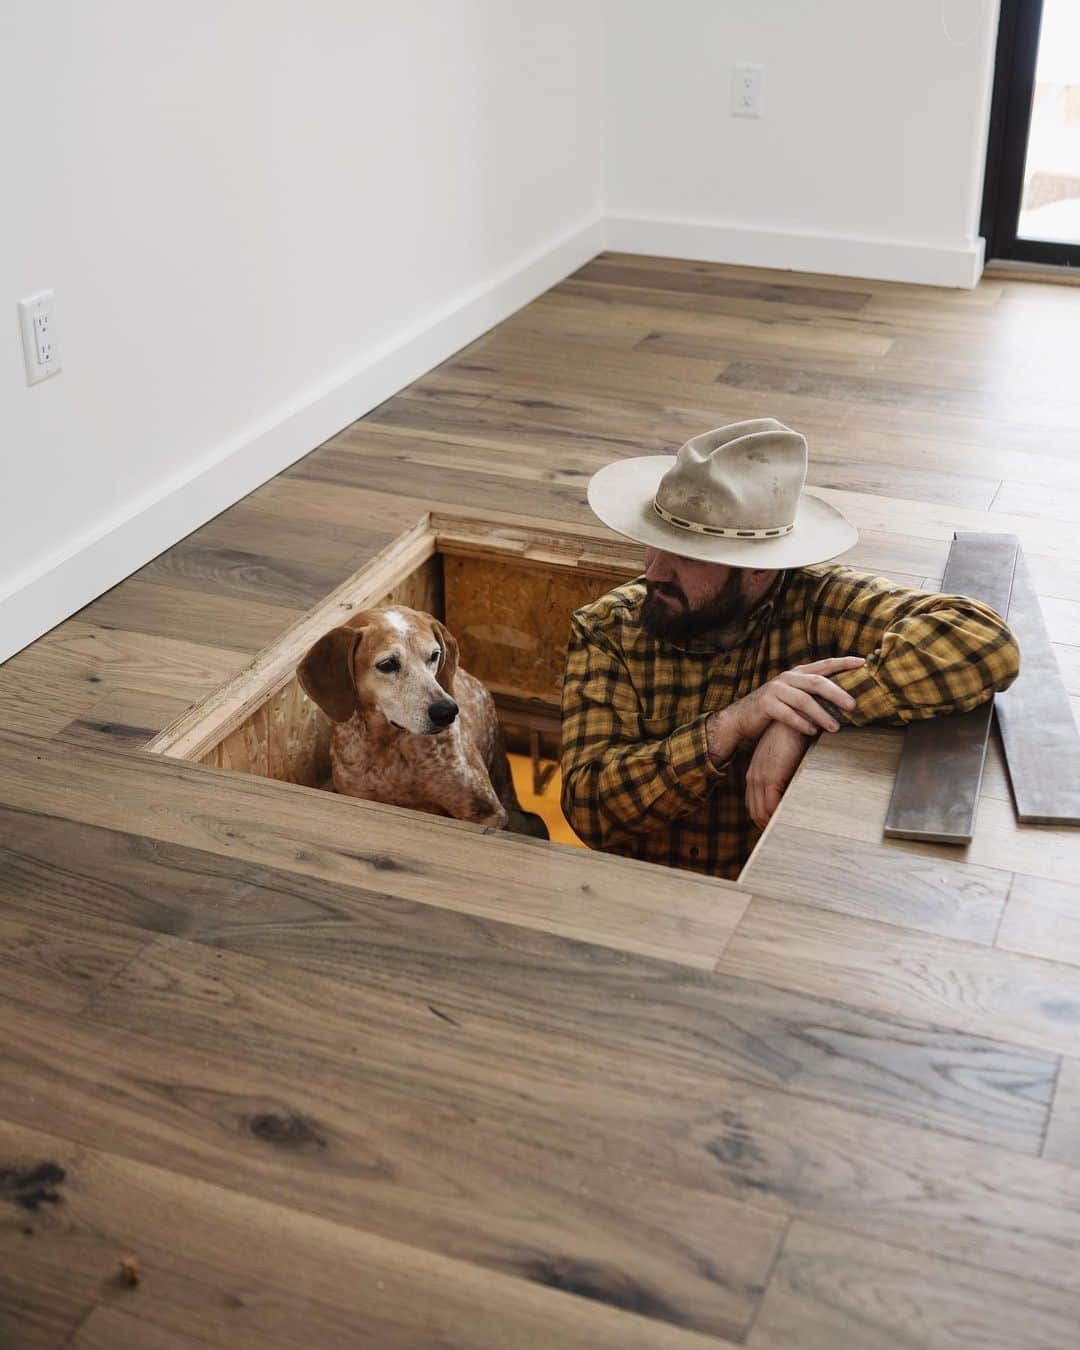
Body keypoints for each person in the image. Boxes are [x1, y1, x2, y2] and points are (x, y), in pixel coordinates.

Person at [560, 418, 1020, 879]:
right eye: (654, 544)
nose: (655, 571)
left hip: (781, 892)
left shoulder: (816, 601)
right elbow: (589, 810)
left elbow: (981, 641)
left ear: (758, 572)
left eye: (686, 557)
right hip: (641, 897)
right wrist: (733, 724)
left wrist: (807, 715)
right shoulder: (608, 629)